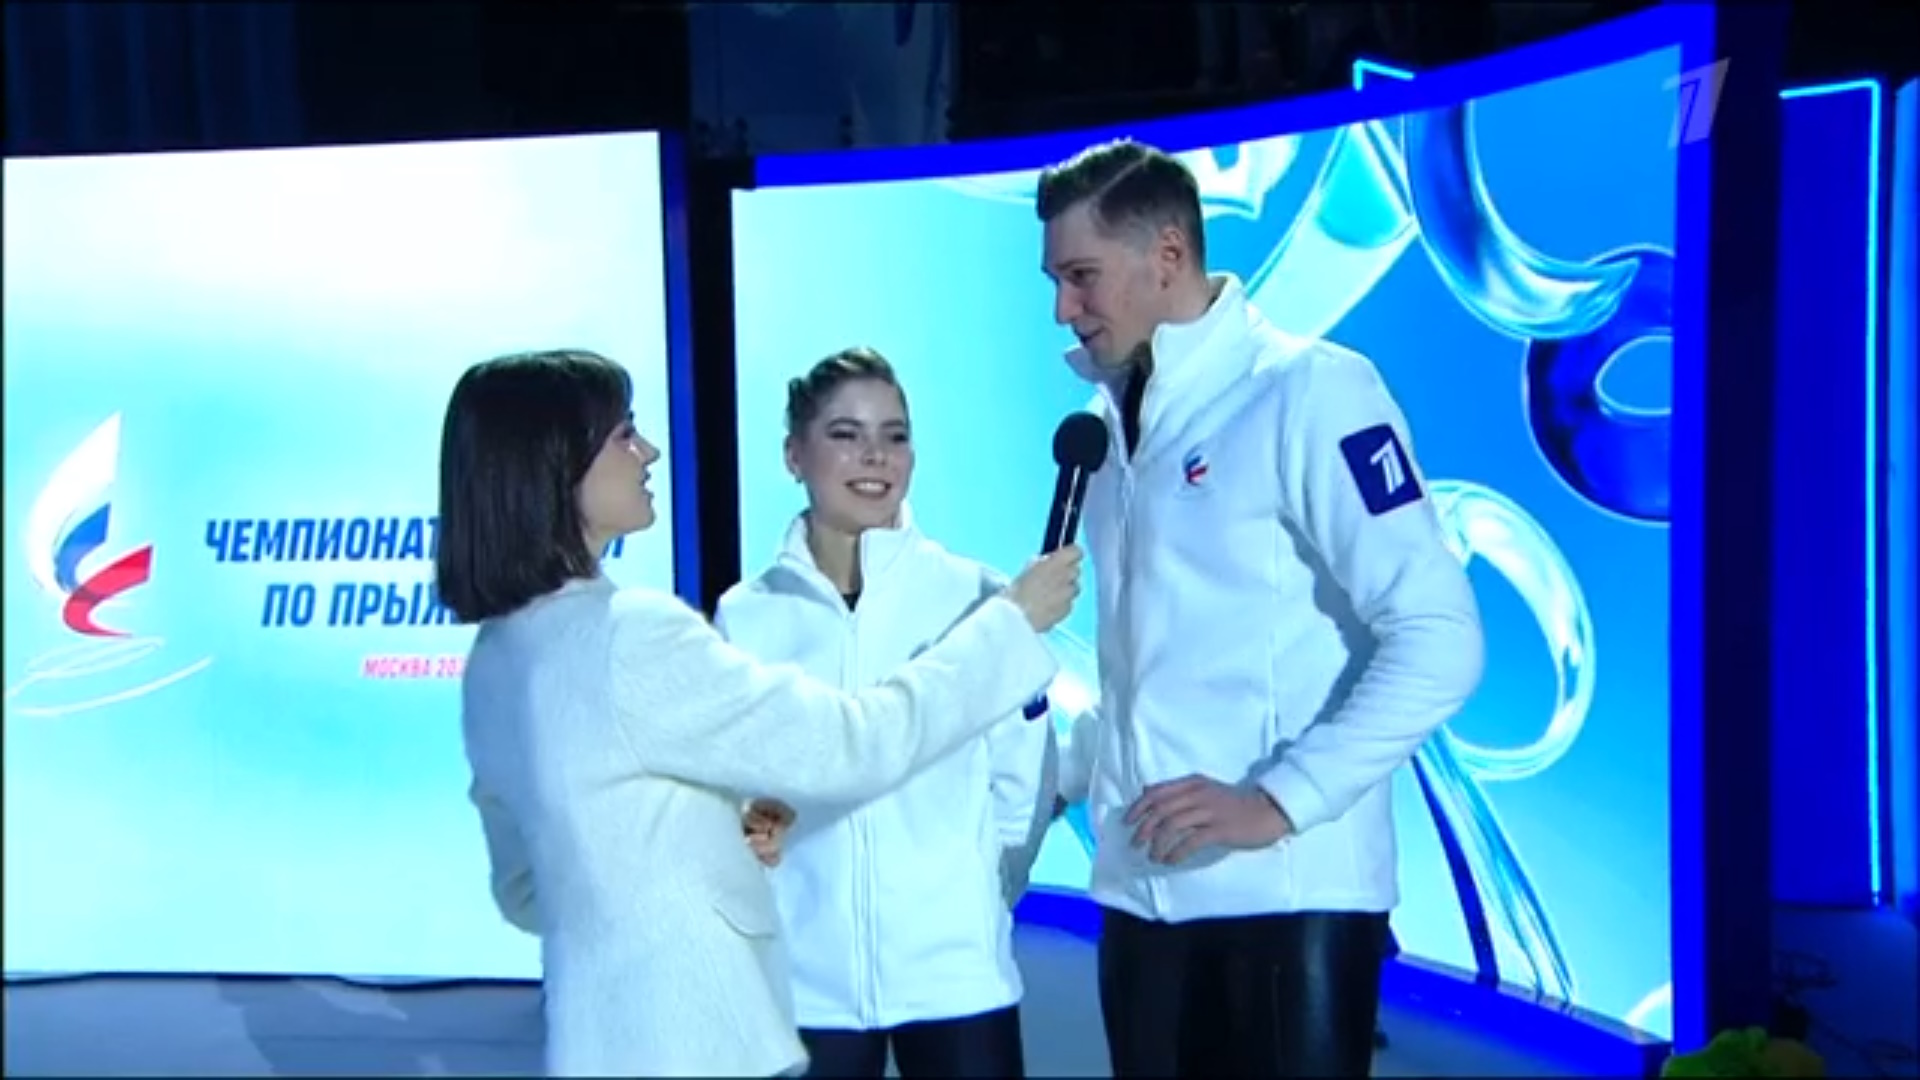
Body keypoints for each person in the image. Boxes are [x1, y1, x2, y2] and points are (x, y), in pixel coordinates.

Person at [435, 348, 1081, 1079]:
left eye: (895, 434)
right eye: (624, 434)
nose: (648, 452)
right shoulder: (645, 632)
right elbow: (851, 747)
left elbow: (526, 887)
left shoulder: (497, 656)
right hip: (707, 1021)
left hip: (608, 1030)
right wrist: (1006, 630)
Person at [1035, 140, 1486, 1077]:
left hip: (1283, 908)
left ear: (1167, 256)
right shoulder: (1112, 435)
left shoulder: (1310, 390)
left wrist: (1281, 800)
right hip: (1138, 903)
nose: (1063, 311)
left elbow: (1441, 638)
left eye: (1082, 277)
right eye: (1056, 282)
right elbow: (1148, 678)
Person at [716, 347, 1056, 1079]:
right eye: (845, 434)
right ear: (794, 454)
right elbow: (736, 779)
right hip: (807, 982)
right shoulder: (747, 615)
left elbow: (1022, 777)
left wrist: (981, 888)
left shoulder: (978, 598)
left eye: (894, 435)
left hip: (956, 976)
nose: (875, 456)